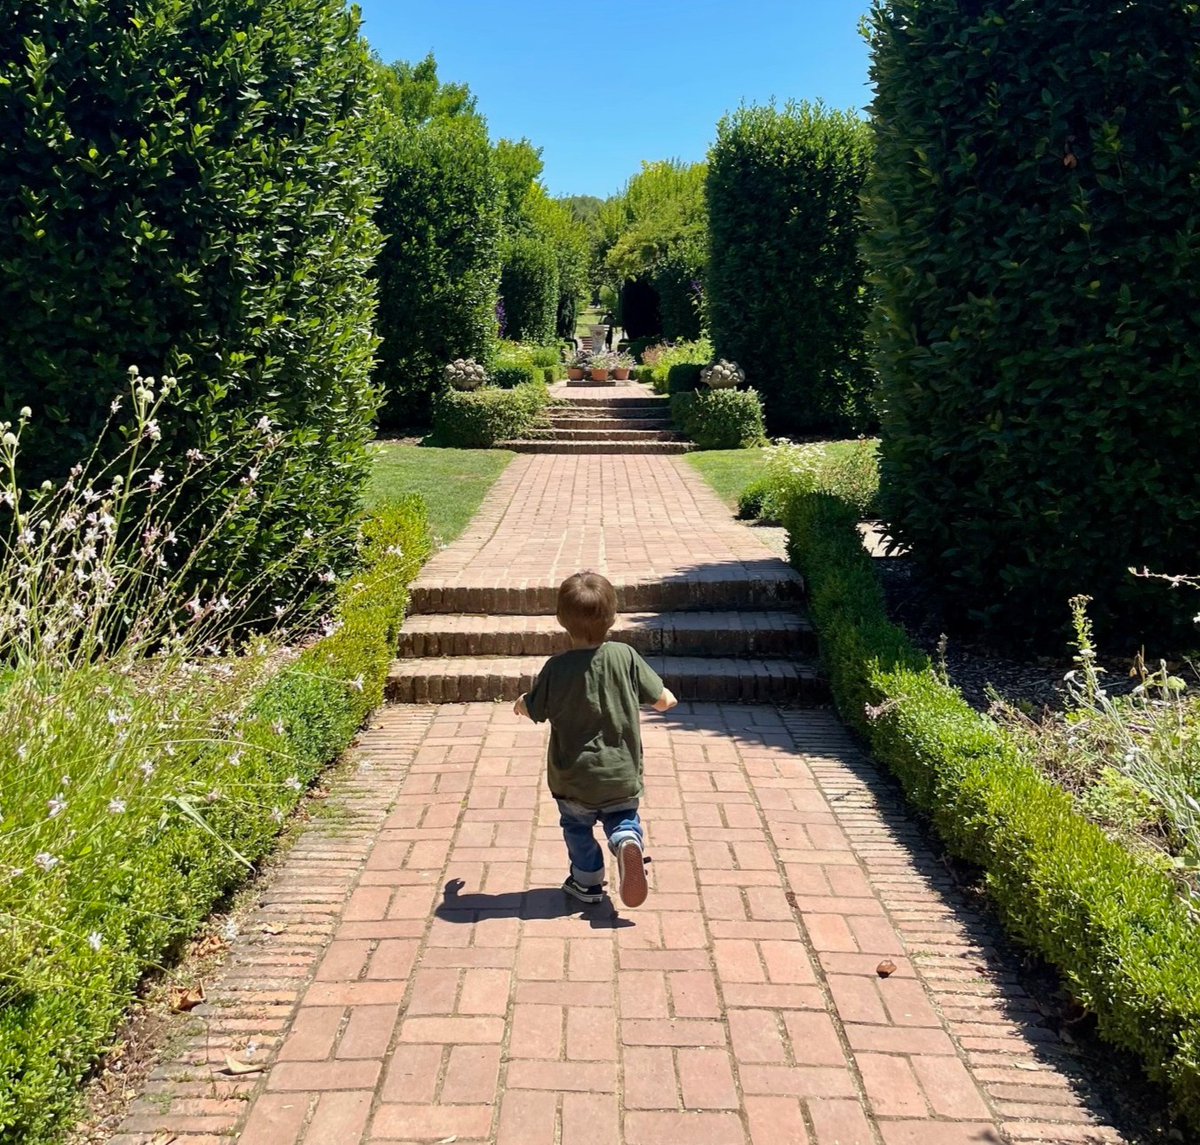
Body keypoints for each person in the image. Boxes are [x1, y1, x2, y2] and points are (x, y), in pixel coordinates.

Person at [514, 571, 677, 908]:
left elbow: (534, 710)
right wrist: (663, 697)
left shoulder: (556, 669)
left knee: (576, 827)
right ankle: (626, 839)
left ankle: (587, 882)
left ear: (560, 619)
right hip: (621, 775)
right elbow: (664, 701)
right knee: (623, 816)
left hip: (572, 779)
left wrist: (519, 705)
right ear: (613, 617)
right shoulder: (624, 656)